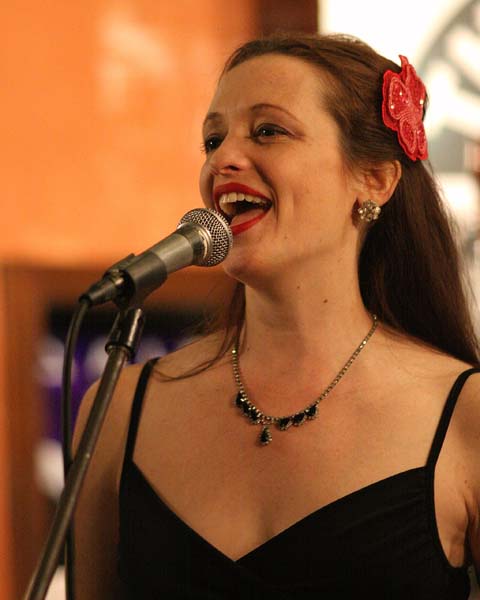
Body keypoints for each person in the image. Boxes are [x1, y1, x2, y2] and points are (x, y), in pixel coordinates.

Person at [73, 32, 480, 599]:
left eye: (268, 131)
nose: (223, 160)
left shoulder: (466, 416)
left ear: (375, 179)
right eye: (213, 139)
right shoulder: (118, 409)